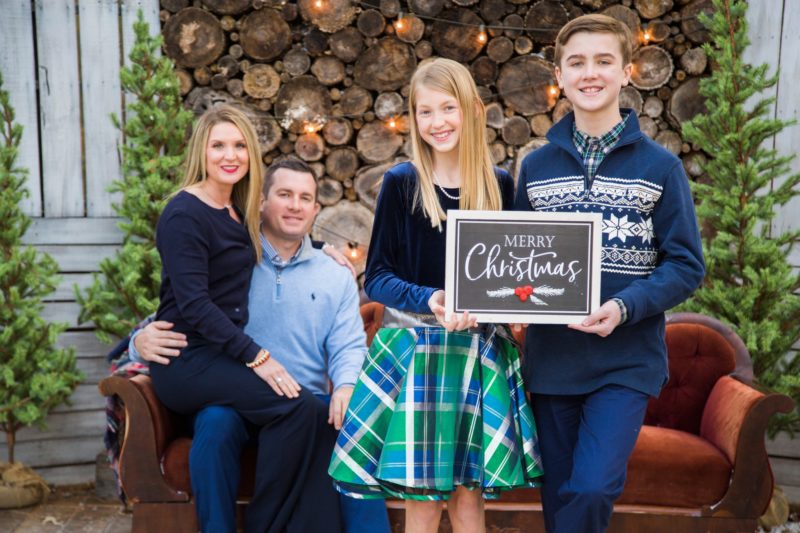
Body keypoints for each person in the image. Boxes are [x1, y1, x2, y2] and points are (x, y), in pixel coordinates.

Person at [328, 58, 544, 533]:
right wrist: (430, 298)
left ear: (472, 110)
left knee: (469, 499)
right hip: (416, 351)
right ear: (413, 118)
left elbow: (514, 275)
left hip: (479, 351)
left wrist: (516, 309)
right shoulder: (401, 183)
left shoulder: (499, 185)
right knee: (422, 501)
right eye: (425, 112)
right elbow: (376, 278)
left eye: (448, 108)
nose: (437, 122)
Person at [514, 15, 705, 533]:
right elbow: (516, 259)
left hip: (626, 360)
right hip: (552, 360)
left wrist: (624, 306)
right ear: (560, 75)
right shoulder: (535, 168)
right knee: (559, 492)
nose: (590, 73)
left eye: (603, 61)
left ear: (626, 72)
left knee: (593, 487)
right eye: (577, 63)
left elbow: (686, 265)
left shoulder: (660, 168)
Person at [131, 159, 391, 533]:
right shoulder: (232, 258)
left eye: (305, 198)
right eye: (284, 194)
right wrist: (139, 342)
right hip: (233, 401)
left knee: (346, 424)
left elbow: (348, 345)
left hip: (303, 401)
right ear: (262, 203)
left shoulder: (334, 273)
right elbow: (185, 306)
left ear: (316, 209)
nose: (295, 206)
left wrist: (347, 385)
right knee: (215, 423)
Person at [148, 105, 340, 533]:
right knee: (301, 408)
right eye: (218, 145)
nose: (229, 155)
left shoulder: (235, 210)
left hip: (218, 358)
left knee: (306, 411)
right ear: (202, 151)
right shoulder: (184, 213)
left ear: (251, 153)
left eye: (239, 146)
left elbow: (273, 236)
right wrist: (257, 356)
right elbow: (193, 304)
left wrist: (321, 248)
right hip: (186, 361)